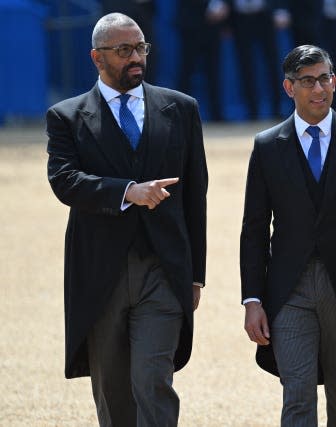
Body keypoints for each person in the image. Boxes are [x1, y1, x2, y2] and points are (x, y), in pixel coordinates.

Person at [46, 13, 208, 426]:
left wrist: (196, 275)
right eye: (124, 51)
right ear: (97, 58)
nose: (136, 58)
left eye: (140, 48)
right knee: (113, 391)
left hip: (163, 270)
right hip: (101, 273)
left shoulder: (181, 109)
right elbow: (66, 181)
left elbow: (195, 197)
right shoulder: (66, 116)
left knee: (152, 379)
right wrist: (127, 192)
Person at [240, 44, 336, 426]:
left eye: (324, 78)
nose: (318, 89)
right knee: (297, 398)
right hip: (287, 292)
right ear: (288, 88)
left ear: (334, 80)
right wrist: (252, 299)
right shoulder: (266, 147)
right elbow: (254, 229)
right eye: (307, 81)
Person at [176, 0, 229, 121]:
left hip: (213, 25)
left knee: (214, 73)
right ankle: (180, 115)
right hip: (191, 23)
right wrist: (209, 6)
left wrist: (220, 7)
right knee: (186, 73)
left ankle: (217, 115)